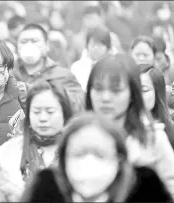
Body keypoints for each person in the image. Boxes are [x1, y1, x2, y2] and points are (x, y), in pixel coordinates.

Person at [21, 112, 173, 202]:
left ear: (119, 161)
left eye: (100, 154)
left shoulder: (146, 193)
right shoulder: (42, 193)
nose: (89, 163)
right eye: (79, 154)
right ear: (63, 160)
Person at [85, 53, 174, 198]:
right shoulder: (77, 138)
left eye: (116, 90)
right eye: (99, 89)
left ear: (132, 93)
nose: (106, 98)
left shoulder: (153, 139)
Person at [0, 80, 73, 193]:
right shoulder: (11, 150)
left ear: (64, 114)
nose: (43, 118)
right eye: (36, 112)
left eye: (50, 112)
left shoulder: (77, 149)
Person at [14, 23, 85, 113]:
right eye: (24, 42)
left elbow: (79, 105)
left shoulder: (62, 75)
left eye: (35, 41)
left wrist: (34, 92)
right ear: (17, 47)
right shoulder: (7, 74)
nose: (29, 45)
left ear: (47, 45)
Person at [140, 64, 174, 149]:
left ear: (157, 93)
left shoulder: (169, 132)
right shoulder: (120, 128)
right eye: (134, 89)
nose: (138, 95)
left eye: (144, 90)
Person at [71, 26, 112, 91]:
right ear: (87, 45)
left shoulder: (112, 67)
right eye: (93, 44)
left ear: (107, 47)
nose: (96, 48)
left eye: (99, 45)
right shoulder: (76, 67)